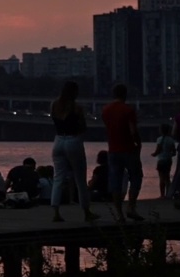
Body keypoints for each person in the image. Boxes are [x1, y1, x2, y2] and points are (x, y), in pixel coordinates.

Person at [50, 80, 97, 223]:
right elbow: (83, 127)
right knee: (80, 179)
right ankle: (86, 212)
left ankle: (56, 212)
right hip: (73, 141)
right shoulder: (77, 108)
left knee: (58, 178)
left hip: (58, 141)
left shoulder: (54, 105)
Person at [102, 82, 145, 223]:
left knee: (116, 181)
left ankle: (119, 214)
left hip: (113, 150)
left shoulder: (105, 110)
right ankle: (131, 207)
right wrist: (138, 143)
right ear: (125, 95)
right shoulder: (128, 110)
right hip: (128, 149)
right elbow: (133, 131)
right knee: (136, 177)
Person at [150, 122, 177, 199]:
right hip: (168, 160)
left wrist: (154, 154)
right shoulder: (171, 140)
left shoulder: (159, 139)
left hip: (161, 160)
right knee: (167, 177)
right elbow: (174, 152)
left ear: (161, 131)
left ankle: (162, 195)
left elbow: (158, 150)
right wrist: (169, 154)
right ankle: (168, 194)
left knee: (161, 178)